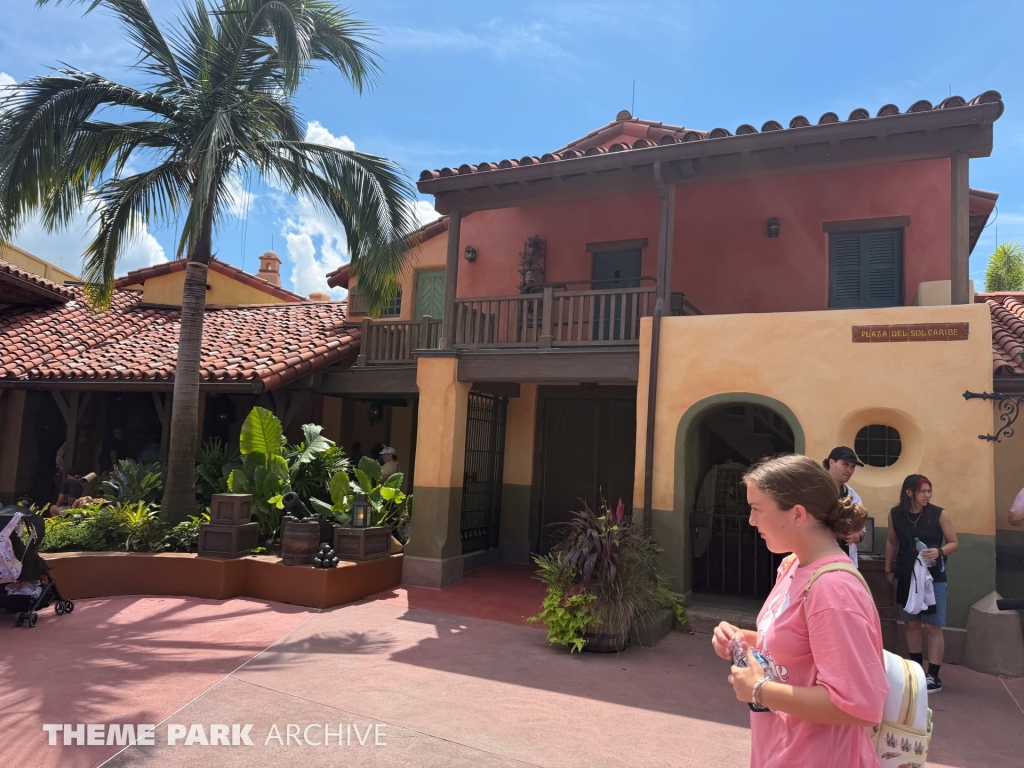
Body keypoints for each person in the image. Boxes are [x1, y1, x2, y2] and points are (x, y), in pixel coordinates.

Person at [712, 454, 887, 768]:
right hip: (783, 751)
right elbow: (801, 645)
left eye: (756, 509)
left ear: (797, 514)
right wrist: (745, 639)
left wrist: (760, 690)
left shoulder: (833, 590)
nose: (751, 521)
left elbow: (857, 704)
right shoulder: (793, 565)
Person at [885, 475, 959, 694]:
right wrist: (888, 568)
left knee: (933, 625)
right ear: (909, 493)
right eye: (923, 491)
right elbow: (891, 541)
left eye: (929, 491)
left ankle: (933, 676)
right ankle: (916, 671)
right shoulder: (895, 514)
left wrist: (939, 551)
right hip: (906, 575)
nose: (927, 495)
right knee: (911, 623)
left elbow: (954, 543)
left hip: (932, 577)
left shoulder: (939, 514)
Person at [823, 446, 867, 566]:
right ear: (832, 462)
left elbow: (862, 529)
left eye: (852, 467)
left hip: (846, 559)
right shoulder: (816, 491)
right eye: (845, 464)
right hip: (820, 555)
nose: (849, 470)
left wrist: (857, 537)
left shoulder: (853, 496)